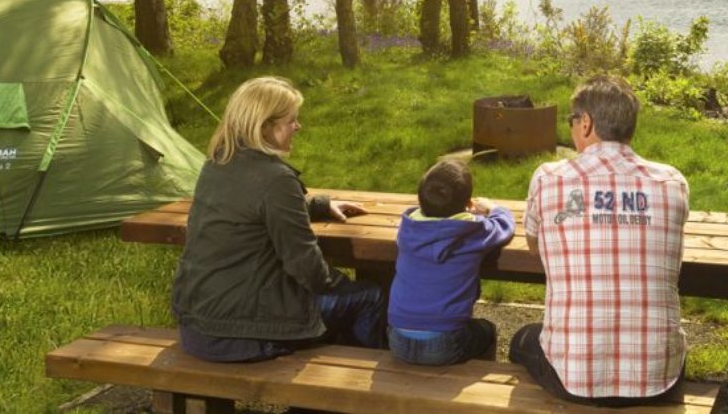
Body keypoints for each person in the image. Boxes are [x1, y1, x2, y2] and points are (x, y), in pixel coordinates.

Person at [170, 76, 385, 363]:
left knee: (338, 302)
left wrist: (318, 205)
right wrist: (340, 284)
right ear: (264, 127)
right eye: (291, 120)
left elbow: (250, 211)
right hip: (244, 333)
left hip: (198, 324)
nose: (298, 126)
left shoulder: (218, 163)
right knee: (369, 297)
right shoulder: (276, 180)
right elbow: (305, 264)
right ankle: (362, 396)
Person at [512, 76, 689, 406]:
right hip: (659, 377)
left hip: (573, 377)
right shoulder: (672, 182)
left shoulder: (549, 178)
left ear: (586, 123)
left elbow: (534, 245)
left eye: (572, 121)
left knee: (522, 340)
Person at [387, 160, 514, 366]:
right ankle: (478, 389)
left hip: (396, 339)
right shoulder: (472, 231)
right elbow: (504, 226)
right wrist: (494, 208)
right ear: (468, 204)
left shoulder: (408, 228)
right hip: (445, 342)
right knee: (487, 331)